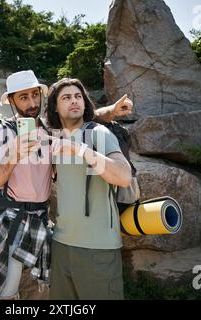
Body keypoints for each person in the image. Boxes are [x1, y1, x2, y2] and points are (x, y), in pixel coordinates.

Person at [0, 70, 133, 300]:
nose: (31, 103)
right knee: (6, 292)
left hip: (43, 222)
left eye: (34, 95)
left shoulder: (50, 131)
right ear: (11, 100)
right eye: (23, 97)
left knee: (48, 287)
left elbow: (77, 120)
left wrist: (109, 112)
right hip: (13, 220)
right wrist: (13, 157)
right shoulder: (1, 133)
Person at [45, 78, 133, 300]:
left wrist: (82, 151)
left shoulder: (98, 134)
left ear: (85, 103)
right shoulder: (54, 138)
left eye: (78, 97)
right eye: (66, 98)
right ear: (55, 106)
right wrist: (111, 110)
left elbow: (123, 177)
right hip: (61, 246)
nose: (74, 101)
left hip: (98, 249)